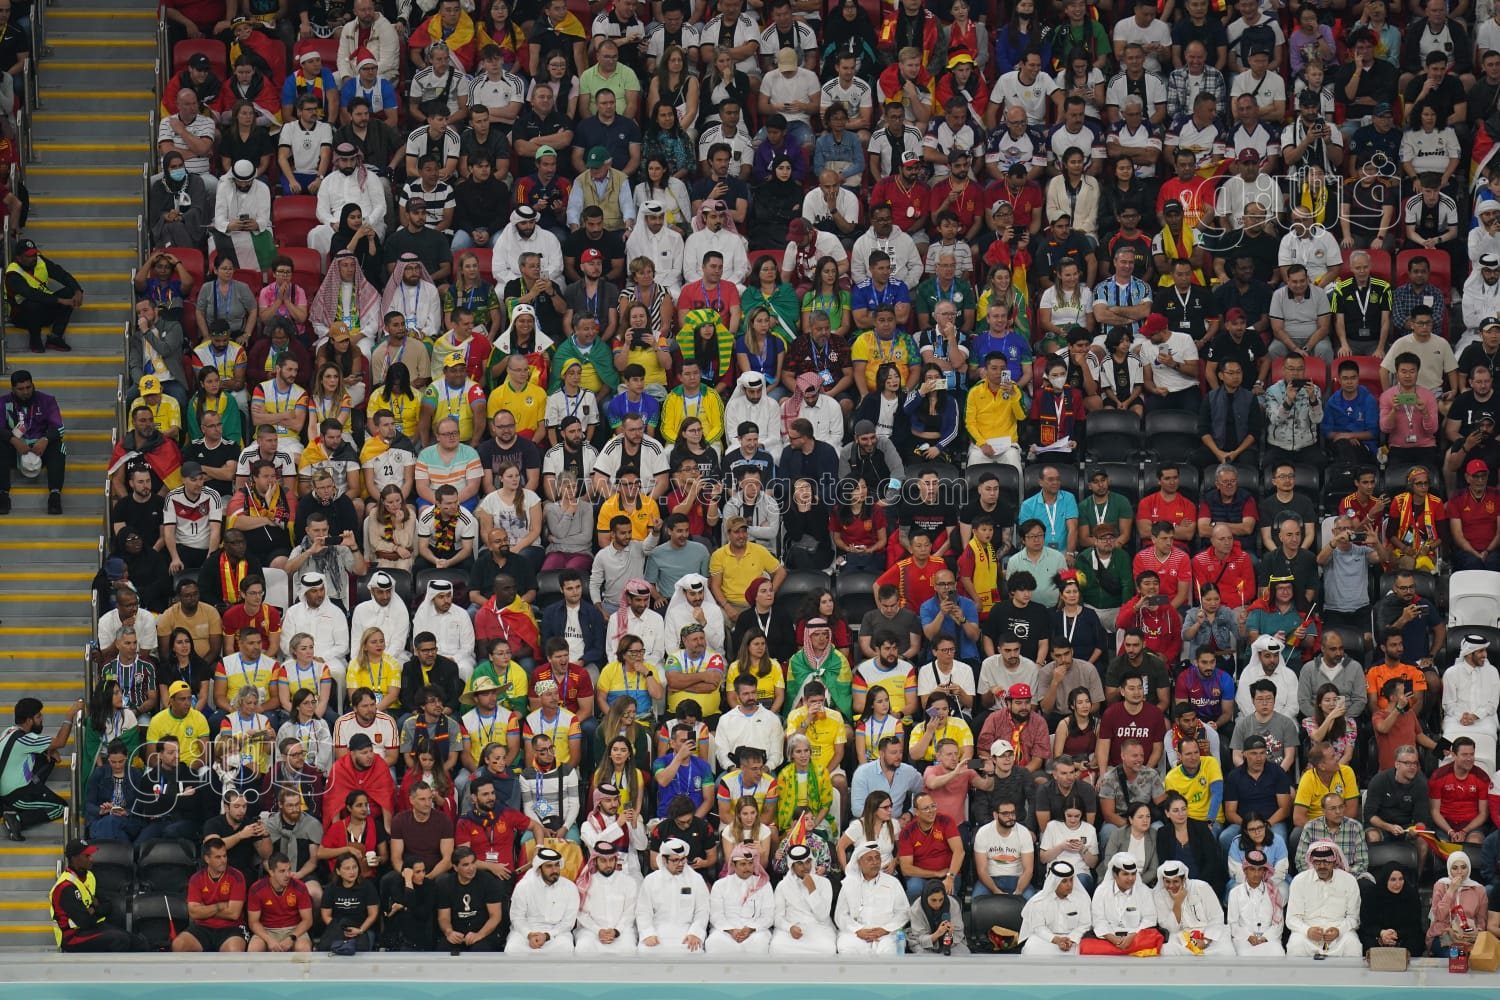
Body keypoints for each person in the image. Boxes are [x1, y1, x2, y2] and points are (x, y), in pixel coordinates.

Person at [1, 696, 80, 840]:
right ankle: (17, 820)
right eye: (38, 716)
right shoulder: (26, 739)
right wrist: (70, 716)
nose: (42, 718)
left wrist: (47, 750)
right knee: (61, 808)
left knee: (46, 757)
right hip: (15, 796)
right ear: (29, 721)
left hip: (7, 790)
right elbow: (60, 742)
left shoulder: (9, 731)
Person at [50, 839, 145, 952]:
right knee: (120, 939)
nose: (91, 859)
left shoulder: (89, 876)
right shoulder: (65, 886)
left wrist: (93, 910)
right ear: (75, 858)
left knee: (135, 940)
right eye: (87, 856)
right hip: (72, 936)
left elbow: (107, 905)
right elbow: (84, 921)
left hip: (92, 926)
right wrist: (96, 908)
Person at [0, 369, 66, 515]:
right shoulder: (3, 402)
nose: (25, 392)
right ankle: (3, 495)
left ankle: (55, 495)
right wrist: (13, 440)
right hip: (14, 448)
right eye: (20, 389)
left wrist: (45, 439)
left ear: (33, 385)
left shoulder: (47, 400)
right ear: (13, 389)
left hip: (40, 448)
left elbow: (59, 427)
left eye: (28, 387)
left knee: (59, 445)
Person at [1285, 841, 1362, 957]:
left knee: (1352, 944)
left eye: (1326, 862)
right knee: (1296, 944)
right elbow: (1292, 918)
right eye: (1317, 862)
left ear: (1334, 861)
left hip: (1339, 934)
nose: (1322, 866)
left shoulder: (1349, 881)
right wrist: (1307, 930)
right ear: (1312, 862)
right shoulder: (1300, 881)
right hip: (1307, 934)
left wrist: (1339, 930)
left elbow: (1354, 918)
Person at [5, 238, 82, 353]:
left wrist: (77, 290)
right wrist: (60, 300)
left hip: (43, 309)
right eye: (29, 256)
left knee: (69, 292)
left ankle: (55, 337)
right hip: (22, 316)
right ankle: (35, 340)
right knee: (32, 304)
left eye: (34, 254)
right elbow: (31, 294)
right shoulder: (12, 273)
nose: (33, 258)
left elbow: (61, 274)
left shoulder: (40, 261)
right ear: (18, 258)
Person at [835, 841, 908, 955]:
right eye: (869, 859)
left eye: (877, 858)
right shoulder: (849, 884)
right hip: (856, 934)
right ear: (859, 862)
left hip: (886, 935)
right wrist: (857, 930)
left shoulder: (892, 883)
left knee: (889, 951)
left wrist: (885, 929)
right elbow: (841, 915)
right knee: (847, 948)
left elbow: (903, 912)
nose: (875, 862)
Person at [638, 837, 710, 954]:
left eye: (683, 859)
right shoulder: (651, 880)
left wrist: (695, 933)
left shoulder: (696, 879)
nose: (680, 864)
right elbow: (643, 911)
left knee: (694, 952)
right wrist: (648, 933)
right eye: (675, 860)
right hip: (657, 931)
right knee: (646, 951)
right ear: (664, 860)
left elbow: (702, 910)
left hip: (687, 932)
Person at [1082, 853, 1163, 955]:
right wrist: (1113, 938)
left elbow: (1149, 919)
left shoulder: (1144, 891)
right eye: (1125, 874)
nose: (1131, 878)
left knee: (1154, 939)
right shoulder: (1101, 891)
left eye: (1133, 874)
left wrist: (1133, 935)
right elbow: (1098, 920)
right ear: (1115, 875)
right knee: (1087, 946)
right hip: (1109, 938)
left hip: (1136, 937)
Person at [506, 845, 581, 954]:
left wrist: (547, 936)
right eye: (549, 866)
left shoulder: (570, 887)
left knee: (565, 948)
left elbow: (568, 922)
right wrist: (529, 934)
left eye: (557, 865)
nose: (554, 870)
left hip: (556, 933)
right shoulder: (524, 886)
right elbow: (517, 917)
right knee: (513, 949)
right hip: (526, 932)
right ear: (539, 868)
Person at [1225, 849, 1285, 957]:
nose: (1256, 874)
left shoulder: (1274, 892)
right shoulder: (1235, 893)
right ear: (1245, 870)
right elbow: (1233, 924)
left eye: (1260, 870)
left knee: (1278, 953)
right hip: (1244, 940)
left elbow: (1279, 924)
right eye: (1252, 869)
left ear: (1264, 871)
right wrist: (1249, 937)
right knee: (1245, 956)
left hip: (1269, 940)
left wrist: (1265, 938)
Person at [1359, 861, 1425, 956]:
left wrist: (1396, 934)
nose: (1398, 884)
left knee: (1415, 942)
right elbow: (1366, 924)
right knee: (1367, 942)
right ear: (1385, 879)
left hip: (1402, 936)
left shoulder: (1411, 894)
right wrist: (1382, 933)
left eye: (1401, 879)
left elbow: (1414, 925)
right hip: (1378, 936)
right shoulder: (1372, 895)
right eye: (1393, 880)